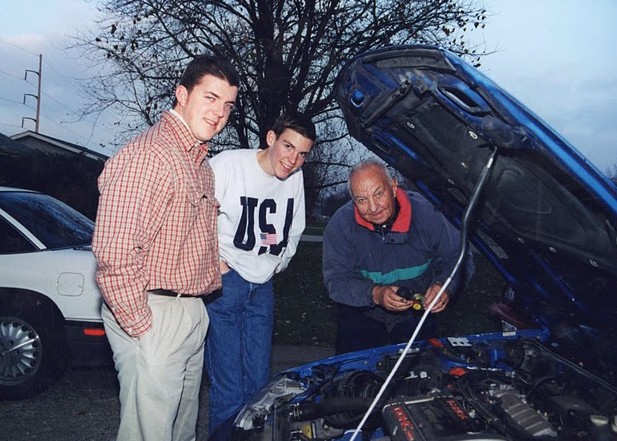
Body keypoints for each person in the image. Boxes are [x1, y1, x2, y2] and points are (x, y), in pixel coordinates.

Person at [92, 55, 239, 441]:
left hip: (190, 310)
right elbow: (114, 252)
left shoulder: (199, 163)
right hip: (153, 313)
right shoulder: (149, 155)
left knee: (180, 433)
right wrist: (144, 329)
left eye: (227, 105)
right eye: (210, 98)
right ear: (181, 94)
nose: (219, 113)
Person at [204, 111, 316, 439]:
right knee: (229, 387)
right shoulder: (228, 165)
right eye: (287, 147)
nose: (293, 159)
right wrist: (215, 262)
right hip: (227, 282)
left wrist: (278, 262)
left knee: (258, 387)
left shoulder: (293, 176)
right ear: (271, 138)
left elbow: (295, 227)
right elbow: (193, 211)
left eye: (302, 154)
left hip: (262, 285)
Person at [322, 159, 474, 354]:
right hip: (361, 312)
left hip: (416, 313)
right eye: (362, 200)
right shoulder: (341, 225)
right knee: (354, 378)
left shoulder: (429, 214)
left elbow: (460, 258)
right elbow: (337, 280)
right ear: (353, 200)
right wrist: (376, 294)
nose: (373, 207)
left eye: (379, 194)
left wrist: (445, 286)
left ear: (393, 187)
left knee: (423, 375)